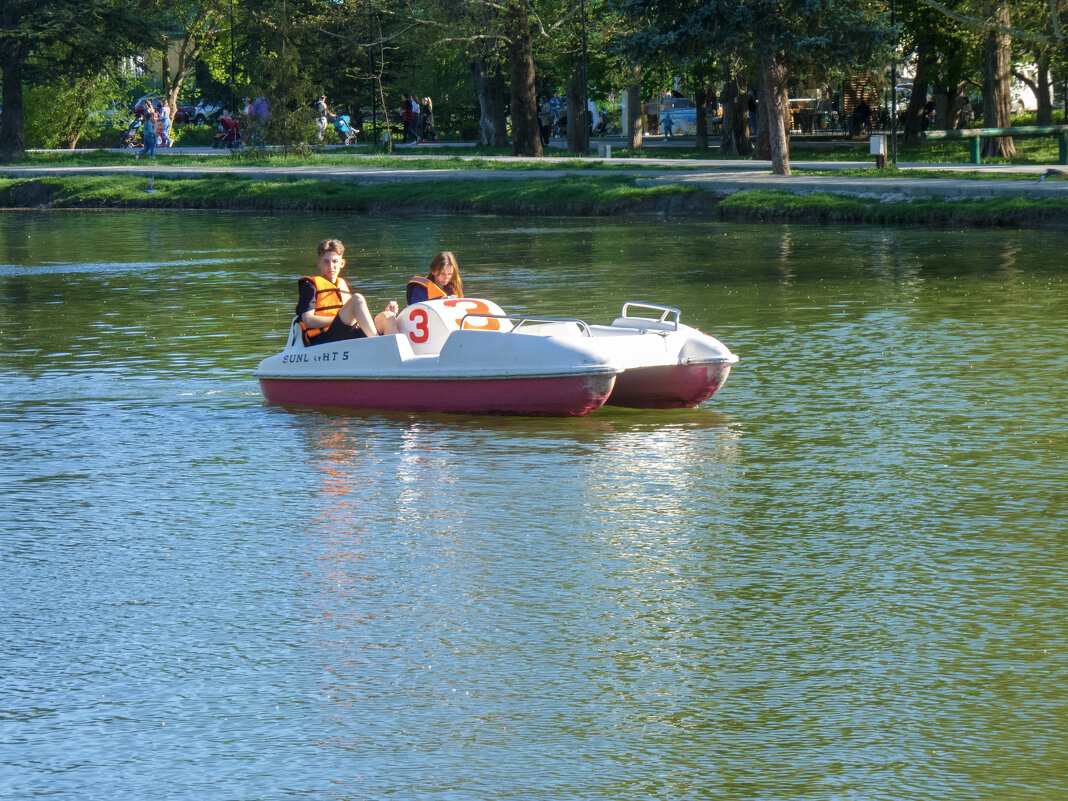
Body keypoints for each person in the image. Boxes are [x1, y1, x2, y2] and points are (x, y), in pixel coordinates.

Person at [297, 238, 398, 346]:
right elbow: (308, 320)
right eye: (326, 262)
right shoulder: (310, 285)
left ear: (342, 263)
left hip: (346, 334)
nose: (331, 266)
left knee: (387, 316)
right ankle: (376, 342)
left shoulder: (342, 284)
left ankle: (395, 354)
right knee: (357, 298)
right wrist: (337, 320)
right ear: (319, 263)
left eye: (335, 261)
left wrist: (358, 320)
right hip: (324, 339)